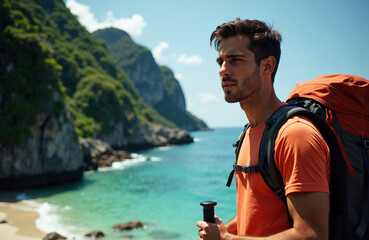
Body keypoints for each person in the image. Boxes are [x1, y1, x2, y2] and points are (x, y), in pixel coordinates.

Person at [197, 18, 330, 239]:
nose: (223, 70)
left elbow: (312, 235)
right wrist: (223, 231)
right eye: (220, 61)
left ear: (267, 66)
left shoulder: (296, 135)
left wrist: (226, 239)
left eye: (235, 60)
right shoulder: (247, 133)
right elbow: (258, 213)